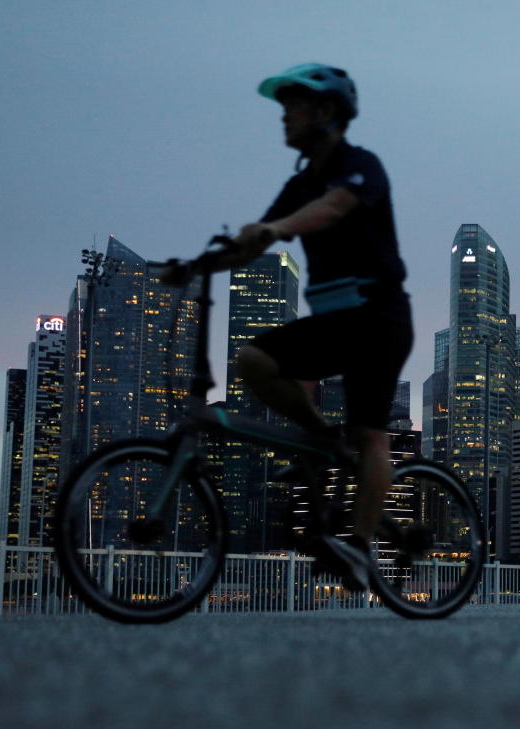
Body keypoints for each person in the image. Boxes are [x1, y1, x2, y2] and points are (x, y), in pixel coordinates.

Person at [168, 63, 412, 591]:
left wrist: (276, 227)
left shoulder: (359, 166)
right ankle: (322, 439)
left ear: (326, 112)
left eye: (292, 106)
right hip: (334, 321)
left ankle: (361, 547)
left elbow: (330, 210)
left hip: (378, 319)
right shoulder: (299, 182)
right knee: (255, 361)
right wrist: (193, 267)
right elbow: (256, 239)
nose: (284, 117)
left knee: (370, 432)